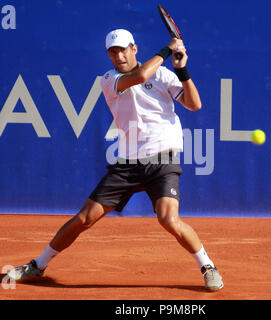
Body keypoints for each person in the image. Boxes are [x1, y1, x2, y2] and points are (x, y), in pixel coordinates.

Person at [8, 29, 223, 291]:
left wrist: (182, 69)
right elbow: (142, 75)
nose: (118, 55)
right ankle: (38, 265)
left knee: (169, 220)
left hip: (162, 162)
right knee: (84, 218)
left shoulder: (164, 75)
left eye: (123, 49)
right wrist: (168, 49)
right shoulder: (110, 79)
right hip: (128, 164)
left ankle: (208, 266)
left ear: (134, 48)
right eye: (113, 52)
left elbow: (195, 104)